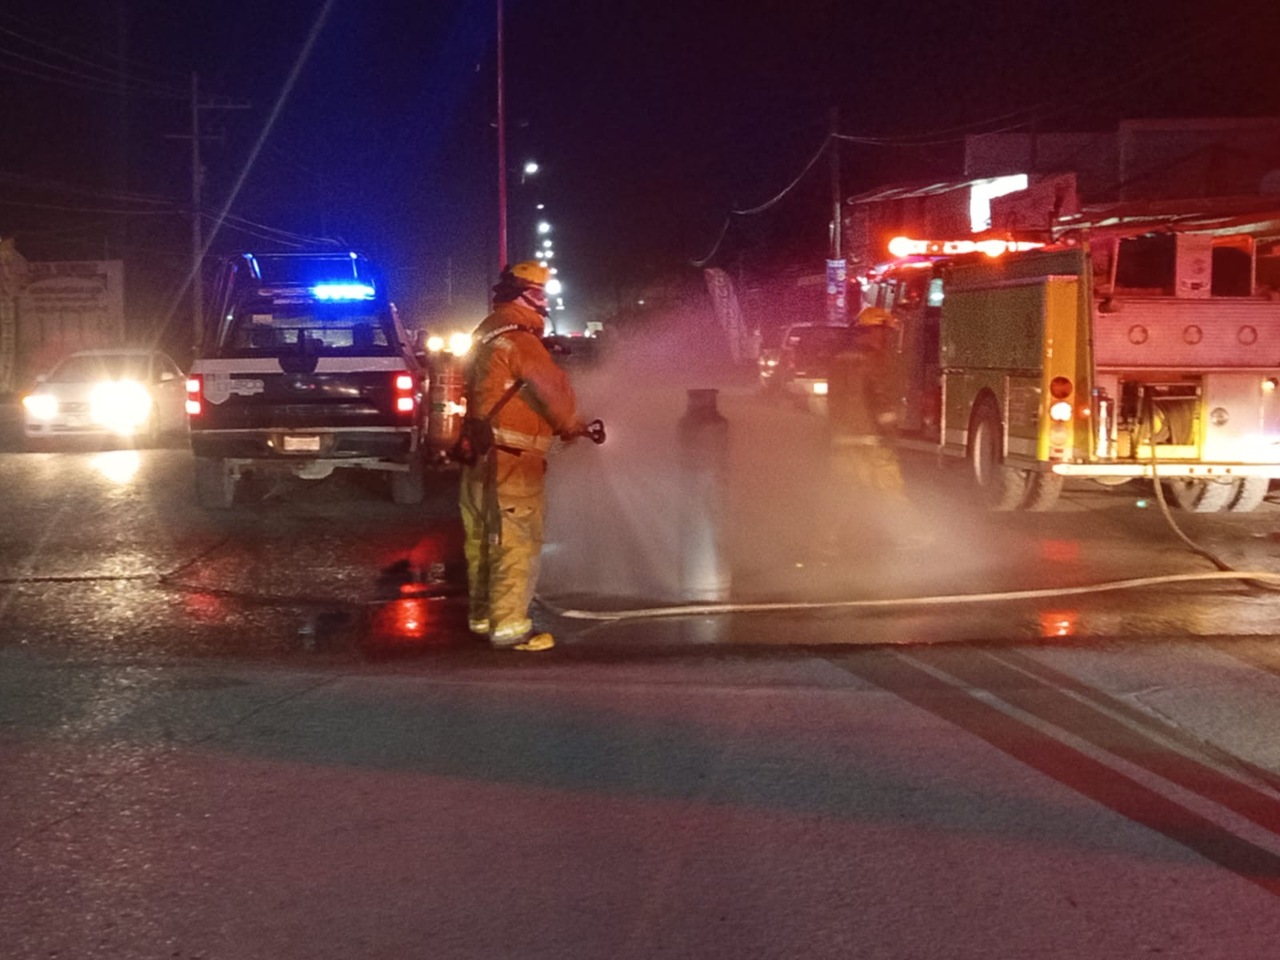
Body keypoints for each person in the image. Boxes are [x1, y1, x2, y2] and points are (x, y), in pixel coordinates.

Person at [459, 261, 586, 651]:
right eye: (538, 293)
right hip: (512, 463)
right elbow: (553, 391)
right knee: (516, 543)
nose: (544, 302)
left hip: (479, 458)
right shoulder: (520, 340)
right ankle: (511, 628)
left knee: (483, 541)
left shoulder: (486, 335)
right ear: (522, 295)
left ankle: (483, 616)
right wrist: (571, 426)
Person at [824, 305, 927, 553]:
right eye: (885, 332)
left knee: (842, 490)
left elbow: (833, 400)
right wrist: (890, 431)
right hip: (872, 438)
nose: (886, 338)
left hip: (843, 438)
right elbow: (880, 398)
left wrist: (834, 432)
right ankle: (910, 534)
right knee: (890, 488)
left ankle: (825, 541)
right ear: (874, 331)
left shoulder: (839, 359)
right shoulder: (874, 359)